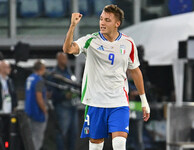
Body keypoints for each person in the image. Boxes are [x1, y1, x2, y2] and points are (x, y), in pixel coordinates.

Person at [62, 4, 150, 150]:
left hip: (119, 102)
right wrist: (72, 27)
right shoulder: (90, 40)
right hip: (95, 102)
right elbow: (68, 49)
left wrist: (144, 101)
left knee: (119, 144)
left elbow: (135, 71)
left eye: (107, 20)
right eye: (101, 19)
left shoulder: (128, 43)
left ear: (117, 24)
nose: (102, 23)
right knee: (96, 146)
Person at [50, 52, 78, 150]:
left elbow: (74, 86)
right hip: (62, 107)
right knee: (62, 133)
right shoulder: (54, 73)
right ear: (58, 60)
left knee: (73, 133)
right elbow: (51, 93)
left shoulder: (69, 72)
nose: (65, 61)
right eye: (63, 59)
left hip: (73, 106)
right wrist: (64, 96)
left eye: (66, 59)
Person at [24, 60, 48, 150]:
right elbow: (39, 97)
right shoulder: (39, 80)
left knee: (30, 137)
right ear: (41, 68)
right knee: (37, 138)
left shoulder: (29, 78)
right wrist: (44, 110)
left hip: (28, 111)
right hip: (37, 112)